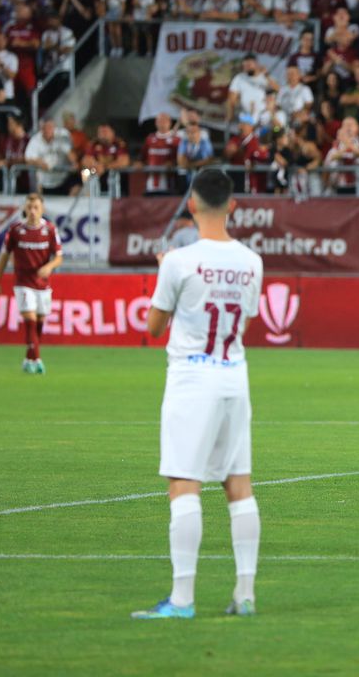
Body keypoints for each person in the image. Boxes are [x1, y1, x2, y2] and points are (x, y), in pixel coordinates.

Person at [133, 168, 264, 620]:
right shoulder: (251, 260)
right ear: (233, 206)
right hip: (234, 375)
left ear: (191, 204)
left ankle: (183, 599)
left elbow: (153, 327)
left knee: (184, 484)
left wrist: (161, 277)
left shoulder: (178, 261)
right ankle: (244, 593)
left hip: (191, 378)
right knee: (239, 486)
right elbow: (244, 325)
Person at [0, 194, 63, 374]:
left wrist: (49, 267)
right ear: (25, 209)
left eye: (36, 207)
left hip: (43, 284)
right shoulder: (15, 230)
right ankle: (37, 359)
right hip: (23, 283)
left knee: (39, 322)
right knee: (30, 321)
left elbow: (59, 257)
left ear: (42, 209)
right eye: (29, 208)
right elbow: (4, 256)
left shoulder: (50, 230)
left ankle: (28, 358)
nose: (32, 211)